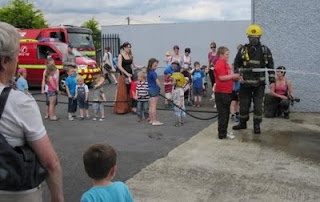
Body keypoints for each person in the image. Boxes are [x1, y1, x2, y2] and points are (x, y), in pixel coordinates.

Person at [0, 21, 63, 202]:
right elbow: (50, 162)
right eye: (15, 57)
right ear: (4, 62)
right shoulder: (19, 102)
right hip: (12, 191)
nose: (18, 61)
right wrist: (58, 198)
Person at [232, 25, 275, 134]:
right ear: (248, 37)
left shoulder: (265, 50)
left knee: (258, 107)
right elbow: (236, 64)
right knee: (244, 106)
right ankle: (243, 123)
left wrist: (272, 81)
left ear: (259, 37)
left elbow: (270, 66)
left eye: (255, 37)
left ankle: (256, 125)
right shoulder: (242, 50)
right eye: (251, 37)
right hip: (245, 84)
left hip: (259, 85)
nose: (253, 39)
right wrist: (238, 75)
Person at [214, 46, 239, 140]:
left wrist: (235, 77)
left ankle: (224, 131)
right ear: (221, 55)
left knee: (225, 113)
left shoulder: (226, 64)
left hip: (227, 91)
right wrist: (233, 76)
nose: (228, 56)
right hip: (222, 92)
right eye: (227, 54)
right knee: (223, 113)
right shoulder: (219, 64)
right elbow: (221, 77)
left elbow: (228, 76)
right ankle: (222, 134)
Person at [147, 58, 163, 126]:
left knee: (151, 105)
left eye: (156, 65)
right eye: (155, 65)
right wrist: (161, 87)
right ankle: (154, 120)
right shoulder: (153, 73)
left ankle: (151, 119)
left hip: (150, 89)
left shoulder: (149, 72)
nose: (156, 67)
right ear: (151, 65)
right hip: (154, 89)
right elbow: (157, 81)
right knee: (154, 106)